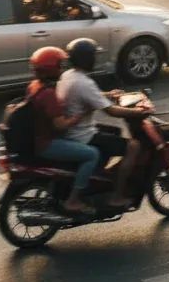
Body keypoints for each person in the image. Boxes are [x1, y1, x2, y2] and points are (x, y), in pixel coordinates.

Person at [57, 38, 151, 208]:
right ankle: (117, 196)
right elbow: (111, 111)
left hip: (74, 131)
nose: (95, 59)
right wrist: (139, 112)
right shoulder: (83, 82)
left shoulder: (68, 76)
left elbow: (90, 96)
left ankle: (97, 178)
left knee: (114, 132)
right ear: (86, 59)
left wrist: (108, 94)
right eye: (93, 56)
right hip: (82, 135)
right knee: (134, 146)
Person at [26, 46, 99, 215]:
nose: (63, 68)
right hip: (47, 144)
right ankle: (73, 200)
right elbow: (60, 125)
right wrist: (80, 114)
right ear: (51, 69)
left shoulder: (34, 86)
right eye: (60, 65)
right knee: (92, 154)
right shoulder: (48, 94)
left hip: (37, 138)